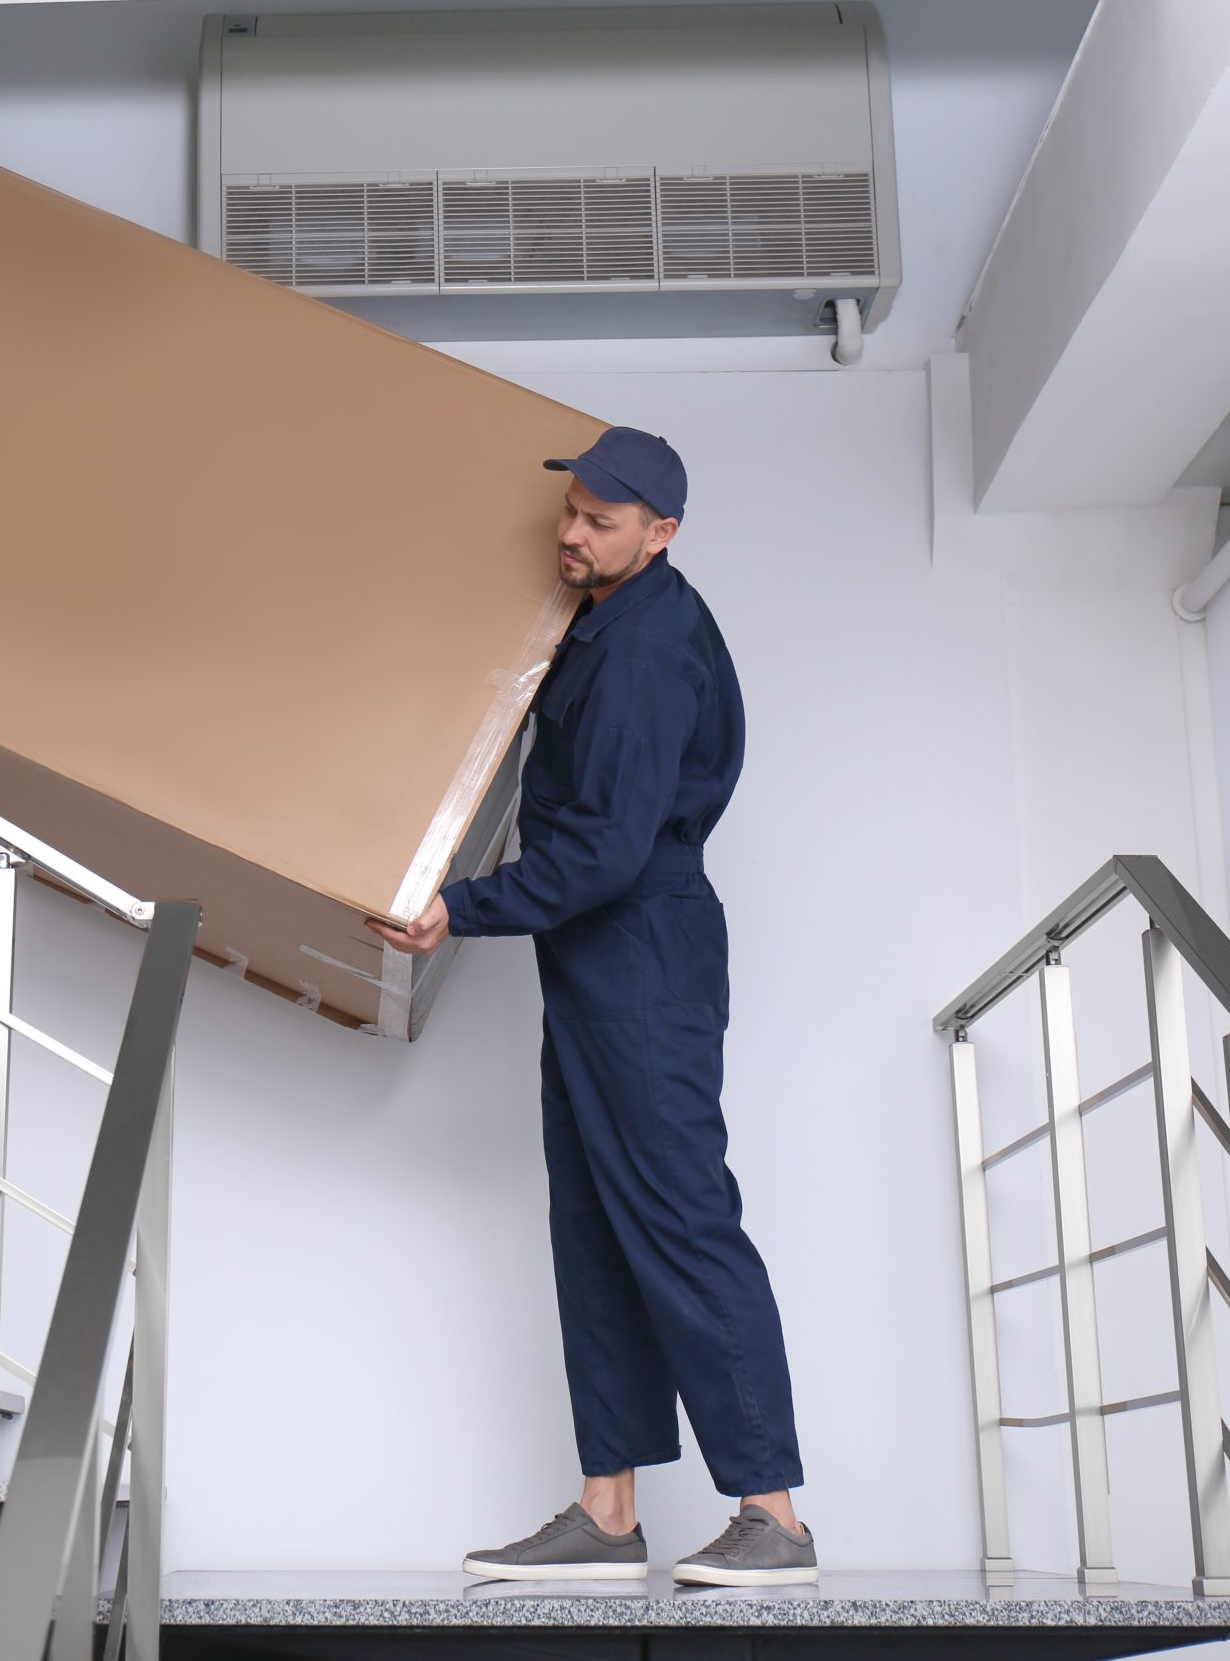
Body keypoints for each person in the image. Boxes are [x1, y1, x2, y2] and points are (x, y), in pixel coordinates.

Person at [369, 426, 813, 1589]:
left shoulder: (643, 651)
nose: (571, 532)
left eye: (601, 522)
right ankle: (606, 1513)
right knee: (594, 1226)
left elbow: (607, 852)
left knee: (677, 1217)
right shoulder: (604, 618)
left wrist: (457, 911)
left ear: (659, 534)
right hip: (593, 953)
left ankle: (774, 1516)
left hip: (640, 944)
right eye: (572, 510)